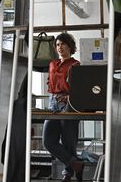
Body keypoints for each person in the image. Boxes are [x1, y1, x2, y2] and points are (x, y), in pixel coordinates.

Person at [42, 33, 84, 182]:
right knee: (47, 140)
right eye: (58, 45)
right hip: (53, 102)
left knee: (68, 141)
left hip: (68, 103)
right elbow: (50, 83)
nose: (60, 47)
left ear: (70, 46)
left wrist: (68, 97)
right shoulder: (52, 64)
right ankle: (76, 164)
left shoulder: (75, 64)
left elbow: (80, 87)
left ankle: (68, 172)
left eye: (63, 44)